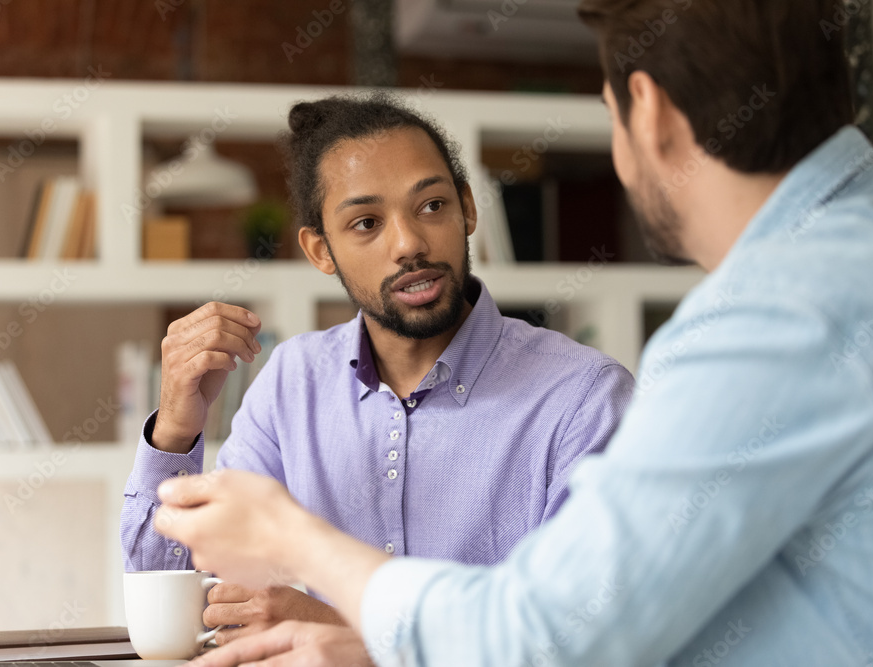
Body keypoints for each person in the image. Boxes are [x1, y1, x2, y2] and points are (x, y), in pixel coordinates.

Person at [153, 0, 873, 665]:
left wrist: (300, 543)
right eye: (365, 220)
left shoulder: (778, 314)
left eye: (610, 115)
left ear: (652, 111)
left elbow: (548, 635)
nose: (407, 241)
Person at [121, 94, 634, 642]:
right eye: (366, 222)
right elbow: (183, 615)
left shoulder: (584, 399)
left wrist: (346, 631)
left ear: (468, 207)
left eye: (432, 206)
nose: (409, 243)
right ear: (321, 251)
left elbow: (586, 637)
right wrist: (176, 429)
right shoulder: (291, 382)